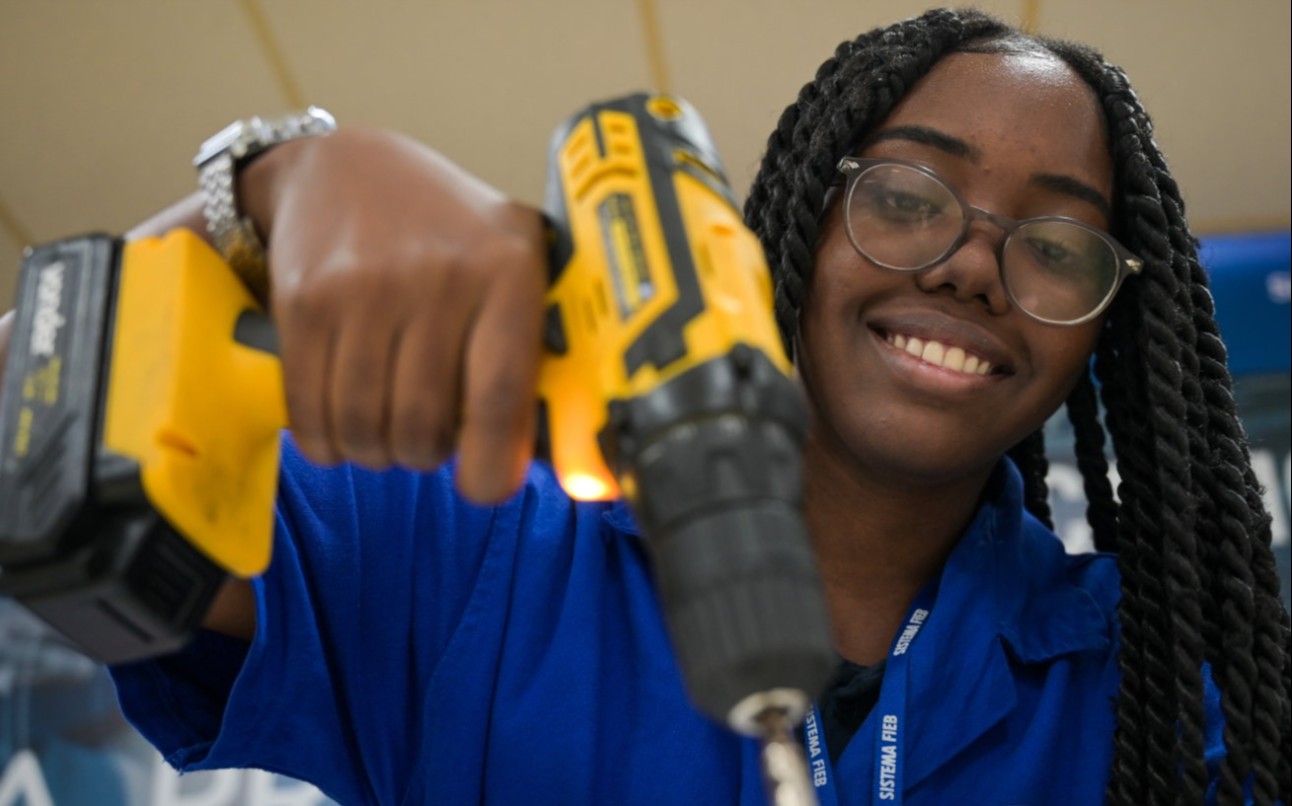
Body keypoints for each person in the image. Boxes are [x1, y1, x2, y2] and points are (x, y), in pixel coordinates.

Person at [0, 7, 1288, 805]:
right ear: (799, 227)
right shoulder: (479, 538)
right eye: (906, 193)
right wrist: (266, 192)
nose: (967, 263)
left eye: (1059, 245)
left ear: (1102, 331)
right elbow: (23, 458)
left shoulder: (1160, 699)